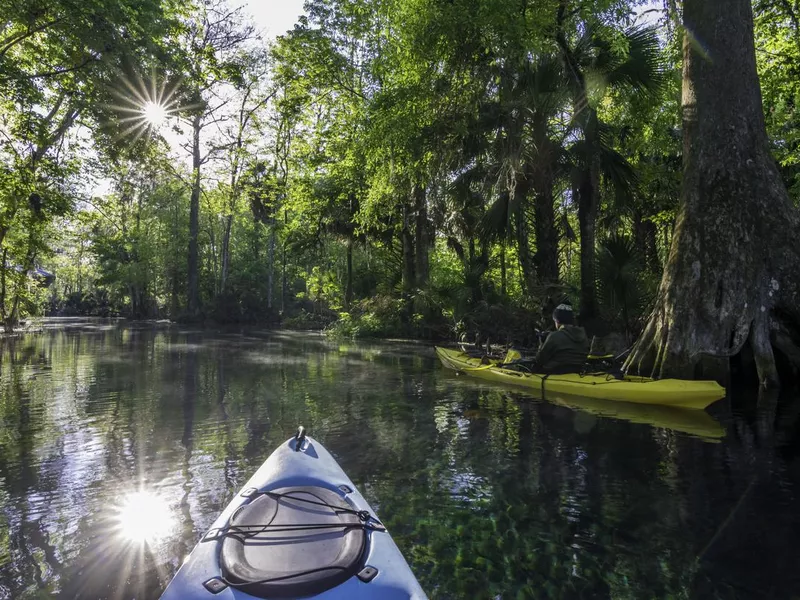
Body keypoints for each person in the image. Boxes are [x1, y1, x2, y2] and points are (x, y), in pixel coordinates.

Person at [534, 303, 589, 374]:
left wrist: (541, 343)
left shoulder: (554, 336)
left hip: (557, 372)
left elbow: (539, 360)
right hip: (578, 370)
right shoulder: (583, 334)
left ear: (557, 320)